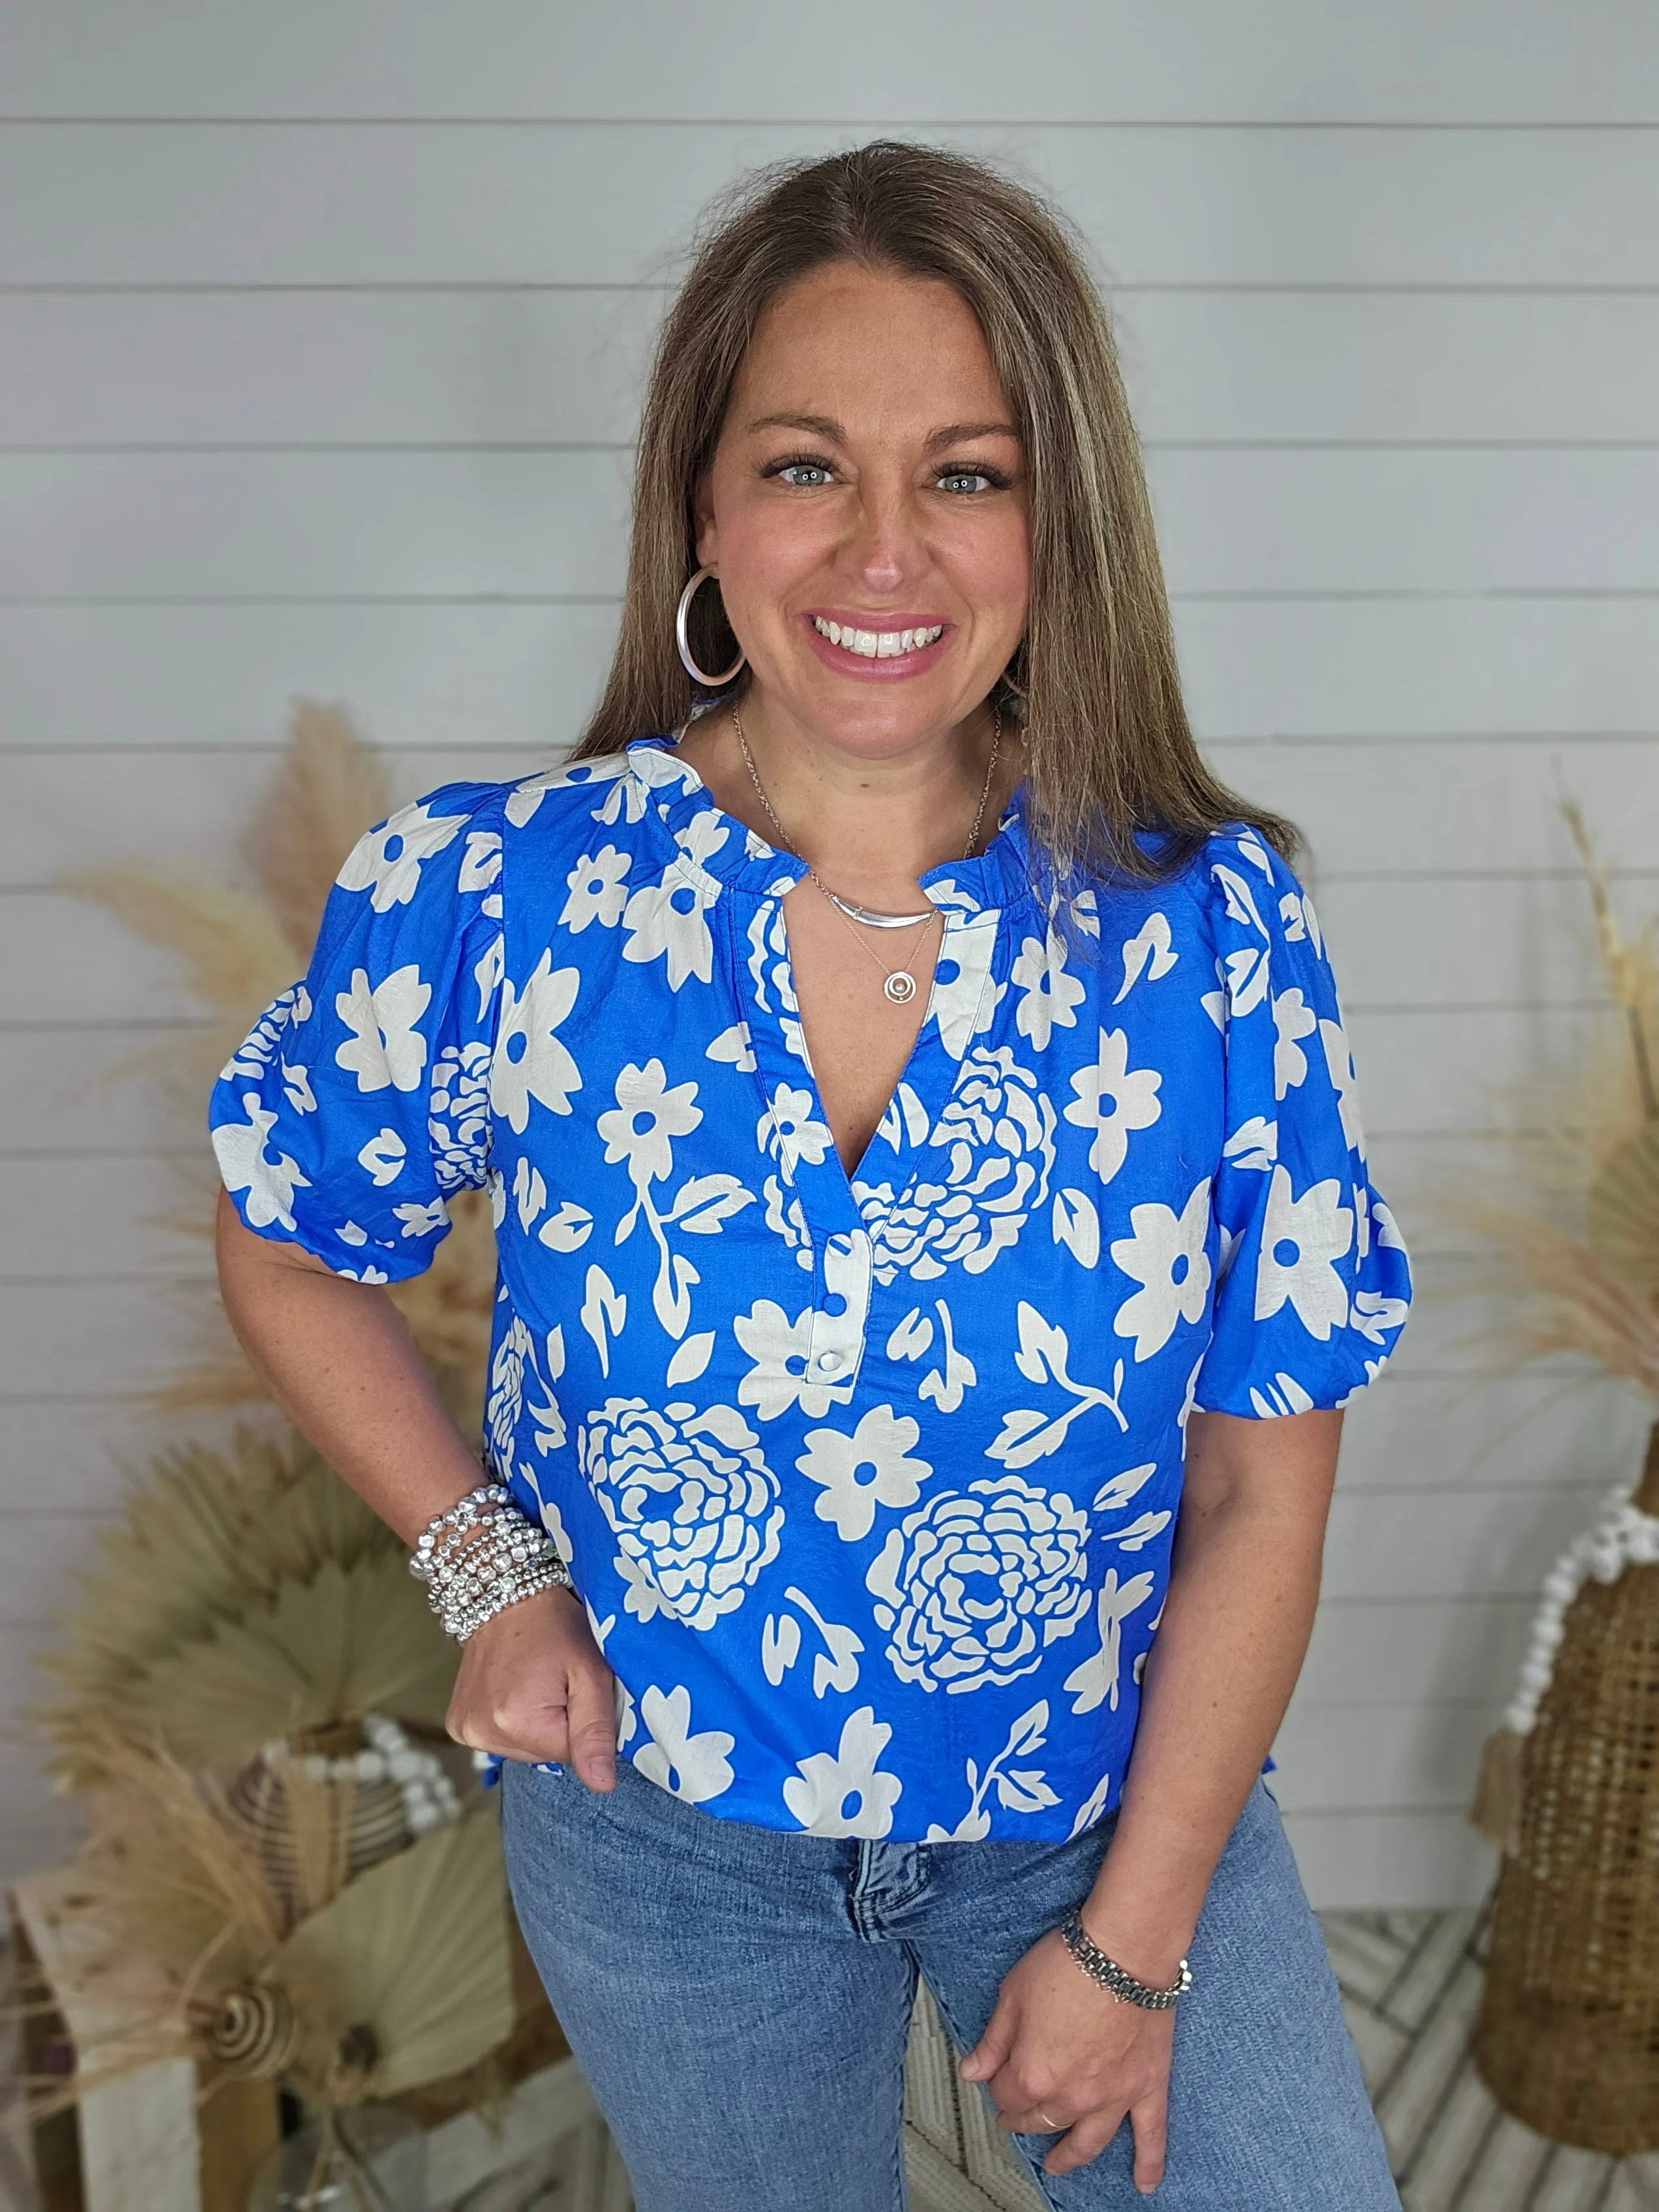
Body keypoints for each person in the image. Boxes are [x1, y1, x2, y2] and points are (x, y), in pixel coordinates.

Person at [212, 141, 1411, 2211]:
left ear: (1061, 521)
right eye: (802, 467)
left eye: (967, 470)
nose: (884, 551)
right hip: (664, 1842)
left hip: (1101, 1807)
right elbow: (290, 1236)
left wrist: (1131, 1945)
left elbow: (1255, 1491)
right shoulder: (504, 899)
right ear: (702, 501)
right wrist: (485, 1574)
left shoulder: (1209, 938)